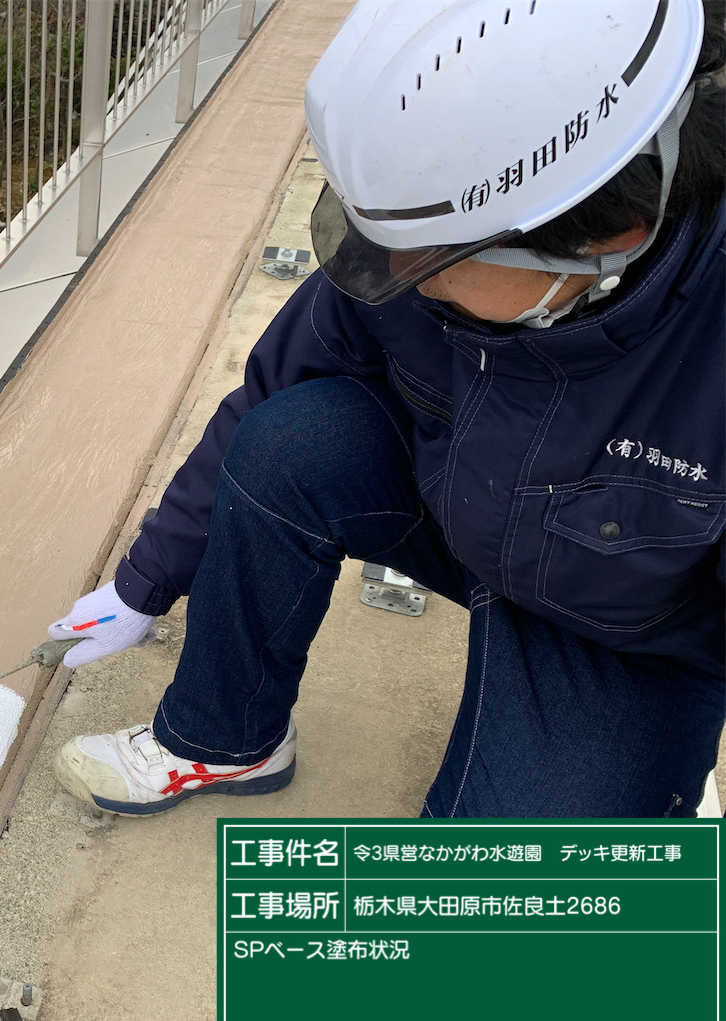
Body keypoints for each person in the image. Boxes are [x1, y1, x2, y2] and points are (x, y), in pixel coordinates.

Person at [51, 0, 726, 819]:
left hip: (624, 627)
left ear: (606, 235)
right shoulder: (433, 228)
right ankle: (223, 738)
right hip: (468, 503)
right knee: (291, 440)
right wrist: (146, 580)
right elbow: (276, 383)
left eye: (432, 260)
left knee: (503, 893)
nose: (398, 276)